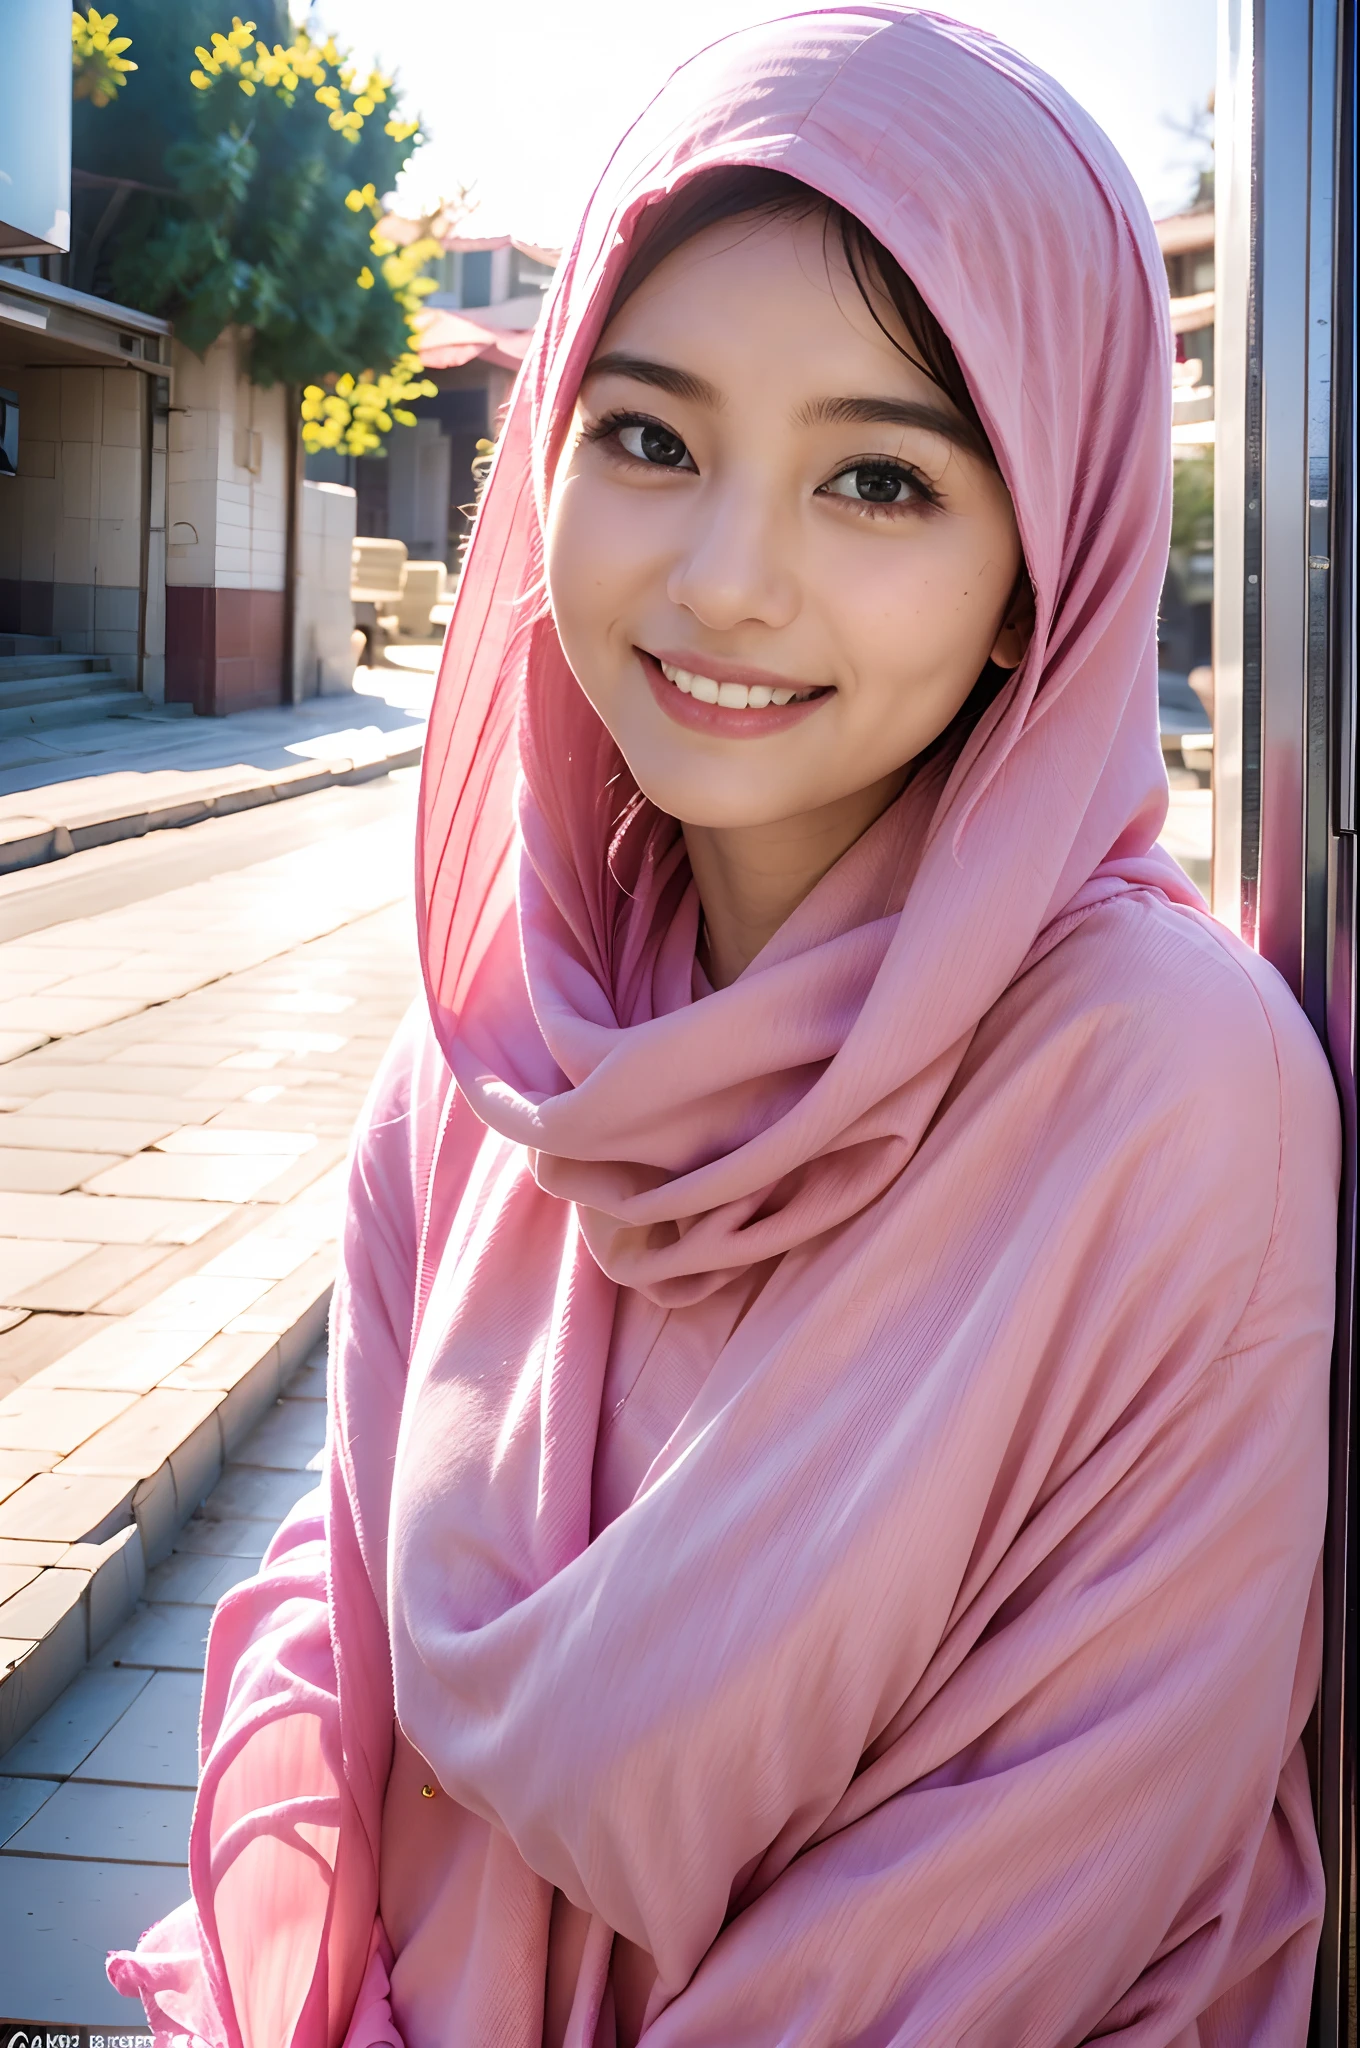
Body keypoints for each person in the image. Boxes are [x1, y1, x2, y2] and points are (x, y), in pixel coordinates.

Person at [111, 9, 1340, 2045]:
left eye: (874, 478)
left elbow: (1036, 1876)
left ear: (1041, 567)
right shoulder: (494, 1051)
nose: (723, 578)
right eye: (647, 437)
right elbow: (332, 1651)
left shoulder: (1164, 1094)